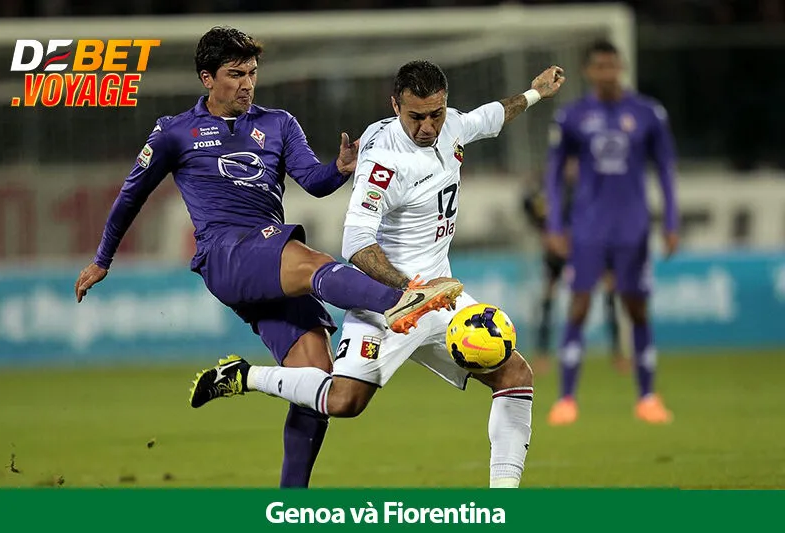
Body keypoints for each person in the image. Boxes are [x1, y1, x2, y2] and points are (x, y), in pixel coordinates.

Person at [73, 27, 462, 488]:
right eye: (235, 74)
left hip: (269, 261)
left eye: (252, 73)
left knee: (315, 383)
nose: (247, 84)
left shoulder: (279, 124)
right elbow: (130, 195)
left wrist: (339, 169)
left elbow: (312, 181)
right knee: (311, 262)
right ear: (207, 78)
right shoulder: (175, 132)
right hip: (226, 253)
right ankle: (403, 300)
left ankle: (289, 502)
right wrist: (103, 259)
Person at [190, 59, 566, 488]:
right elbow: (356, 244)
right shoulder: (383, 163)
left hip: (440, 296)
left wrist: (534, 93)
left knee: (515, 375)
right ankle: (244, 376)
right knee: (344, 401)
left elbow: (490, 116)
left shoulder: (451, 126)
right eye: (416, 117)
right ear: (395, 106)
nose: (428, 127)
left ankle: (504, 505)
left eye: (436, 114)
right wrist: (408, 290)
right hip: (389, 303)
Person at [544, 39, 679, 426]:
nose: (607, 73)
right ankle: (566, 399)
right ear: (589, 71)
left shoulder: (648, 113)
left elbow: (665, 169)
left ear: (621, 68)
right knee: (579, 305)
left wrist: (671, 221)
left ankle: (647, 397)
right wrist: (555, 224)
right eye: (600, 67)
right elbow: (554, 174)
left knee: (636, 308)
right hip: (588, 227)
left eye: (612, 66)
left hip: (633, 227)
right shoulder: (572, 116)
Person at [522, 174, 627, 375]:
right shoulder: (550, 187)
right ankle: (542, 354)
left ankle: (618, 353)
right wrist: (547, 234)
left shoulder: (591, 184)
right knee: (548, 297)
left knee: (610, 292)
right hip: (558, 250)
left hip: (589, 247)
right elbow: (530, 204)